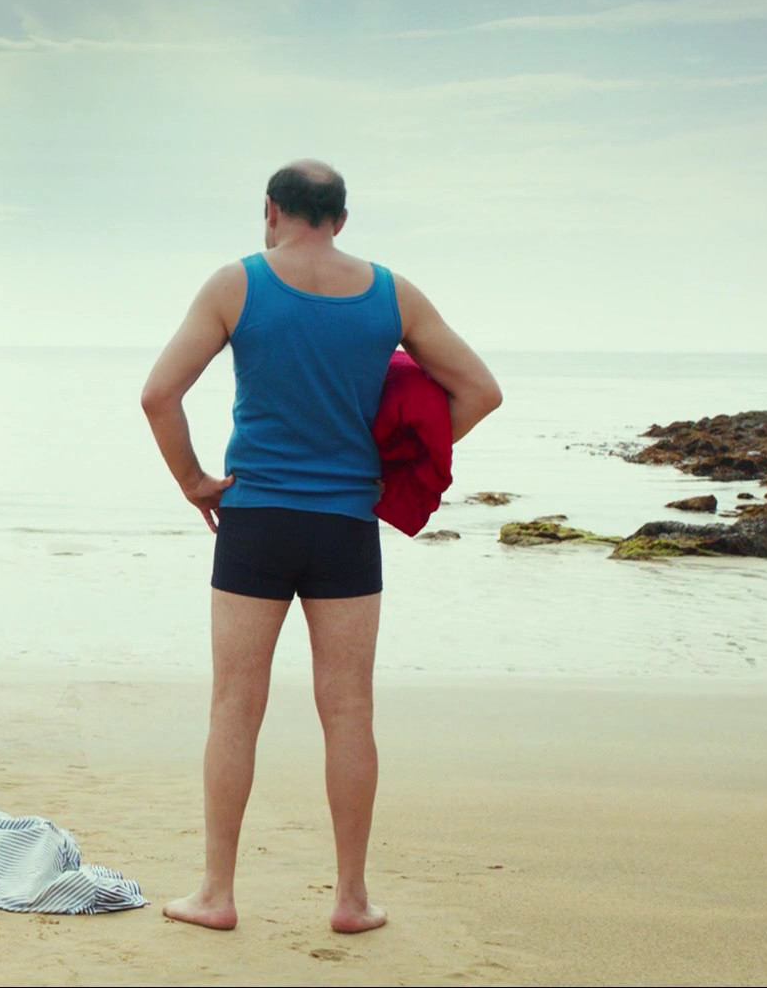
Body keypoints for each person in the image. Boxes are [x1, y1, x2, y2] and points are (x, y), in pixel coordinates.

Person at [140, 160, 502, 934]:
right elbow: (480, 391)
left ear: (271, 210)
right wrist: (396, 465)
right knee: (348, 712)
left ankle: (216, 895)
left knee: (235, 706)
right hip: (346, 525)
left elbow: (157, 394)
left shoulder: (235, 285)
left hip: (256, 518)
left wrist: (195, 481)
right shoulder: (392, 294)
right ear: (340, 217)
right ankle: (351, 899)